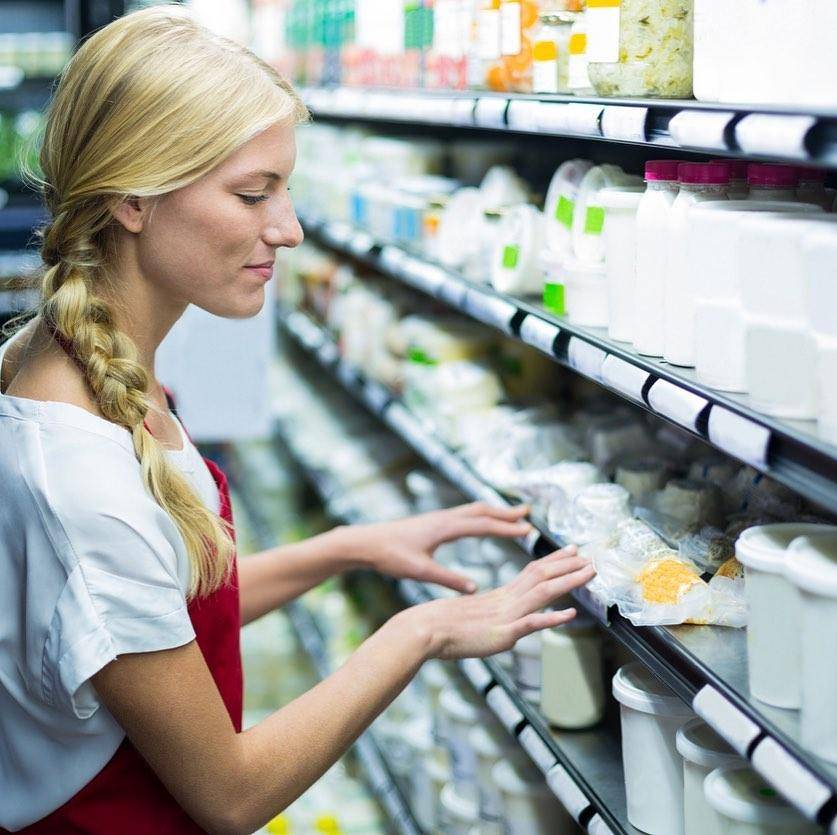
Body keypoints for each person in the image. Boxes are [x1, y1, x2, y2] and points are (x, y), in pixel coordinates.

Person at [0, 7, 595, 834]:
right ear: (133, 198)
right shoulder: (85, 479)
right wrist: (419, 632)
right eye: (253, 194)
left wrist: (349, 546)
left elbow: (147, 619)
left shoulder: (67, 361)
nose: (289, 228)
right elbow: (230, 793)